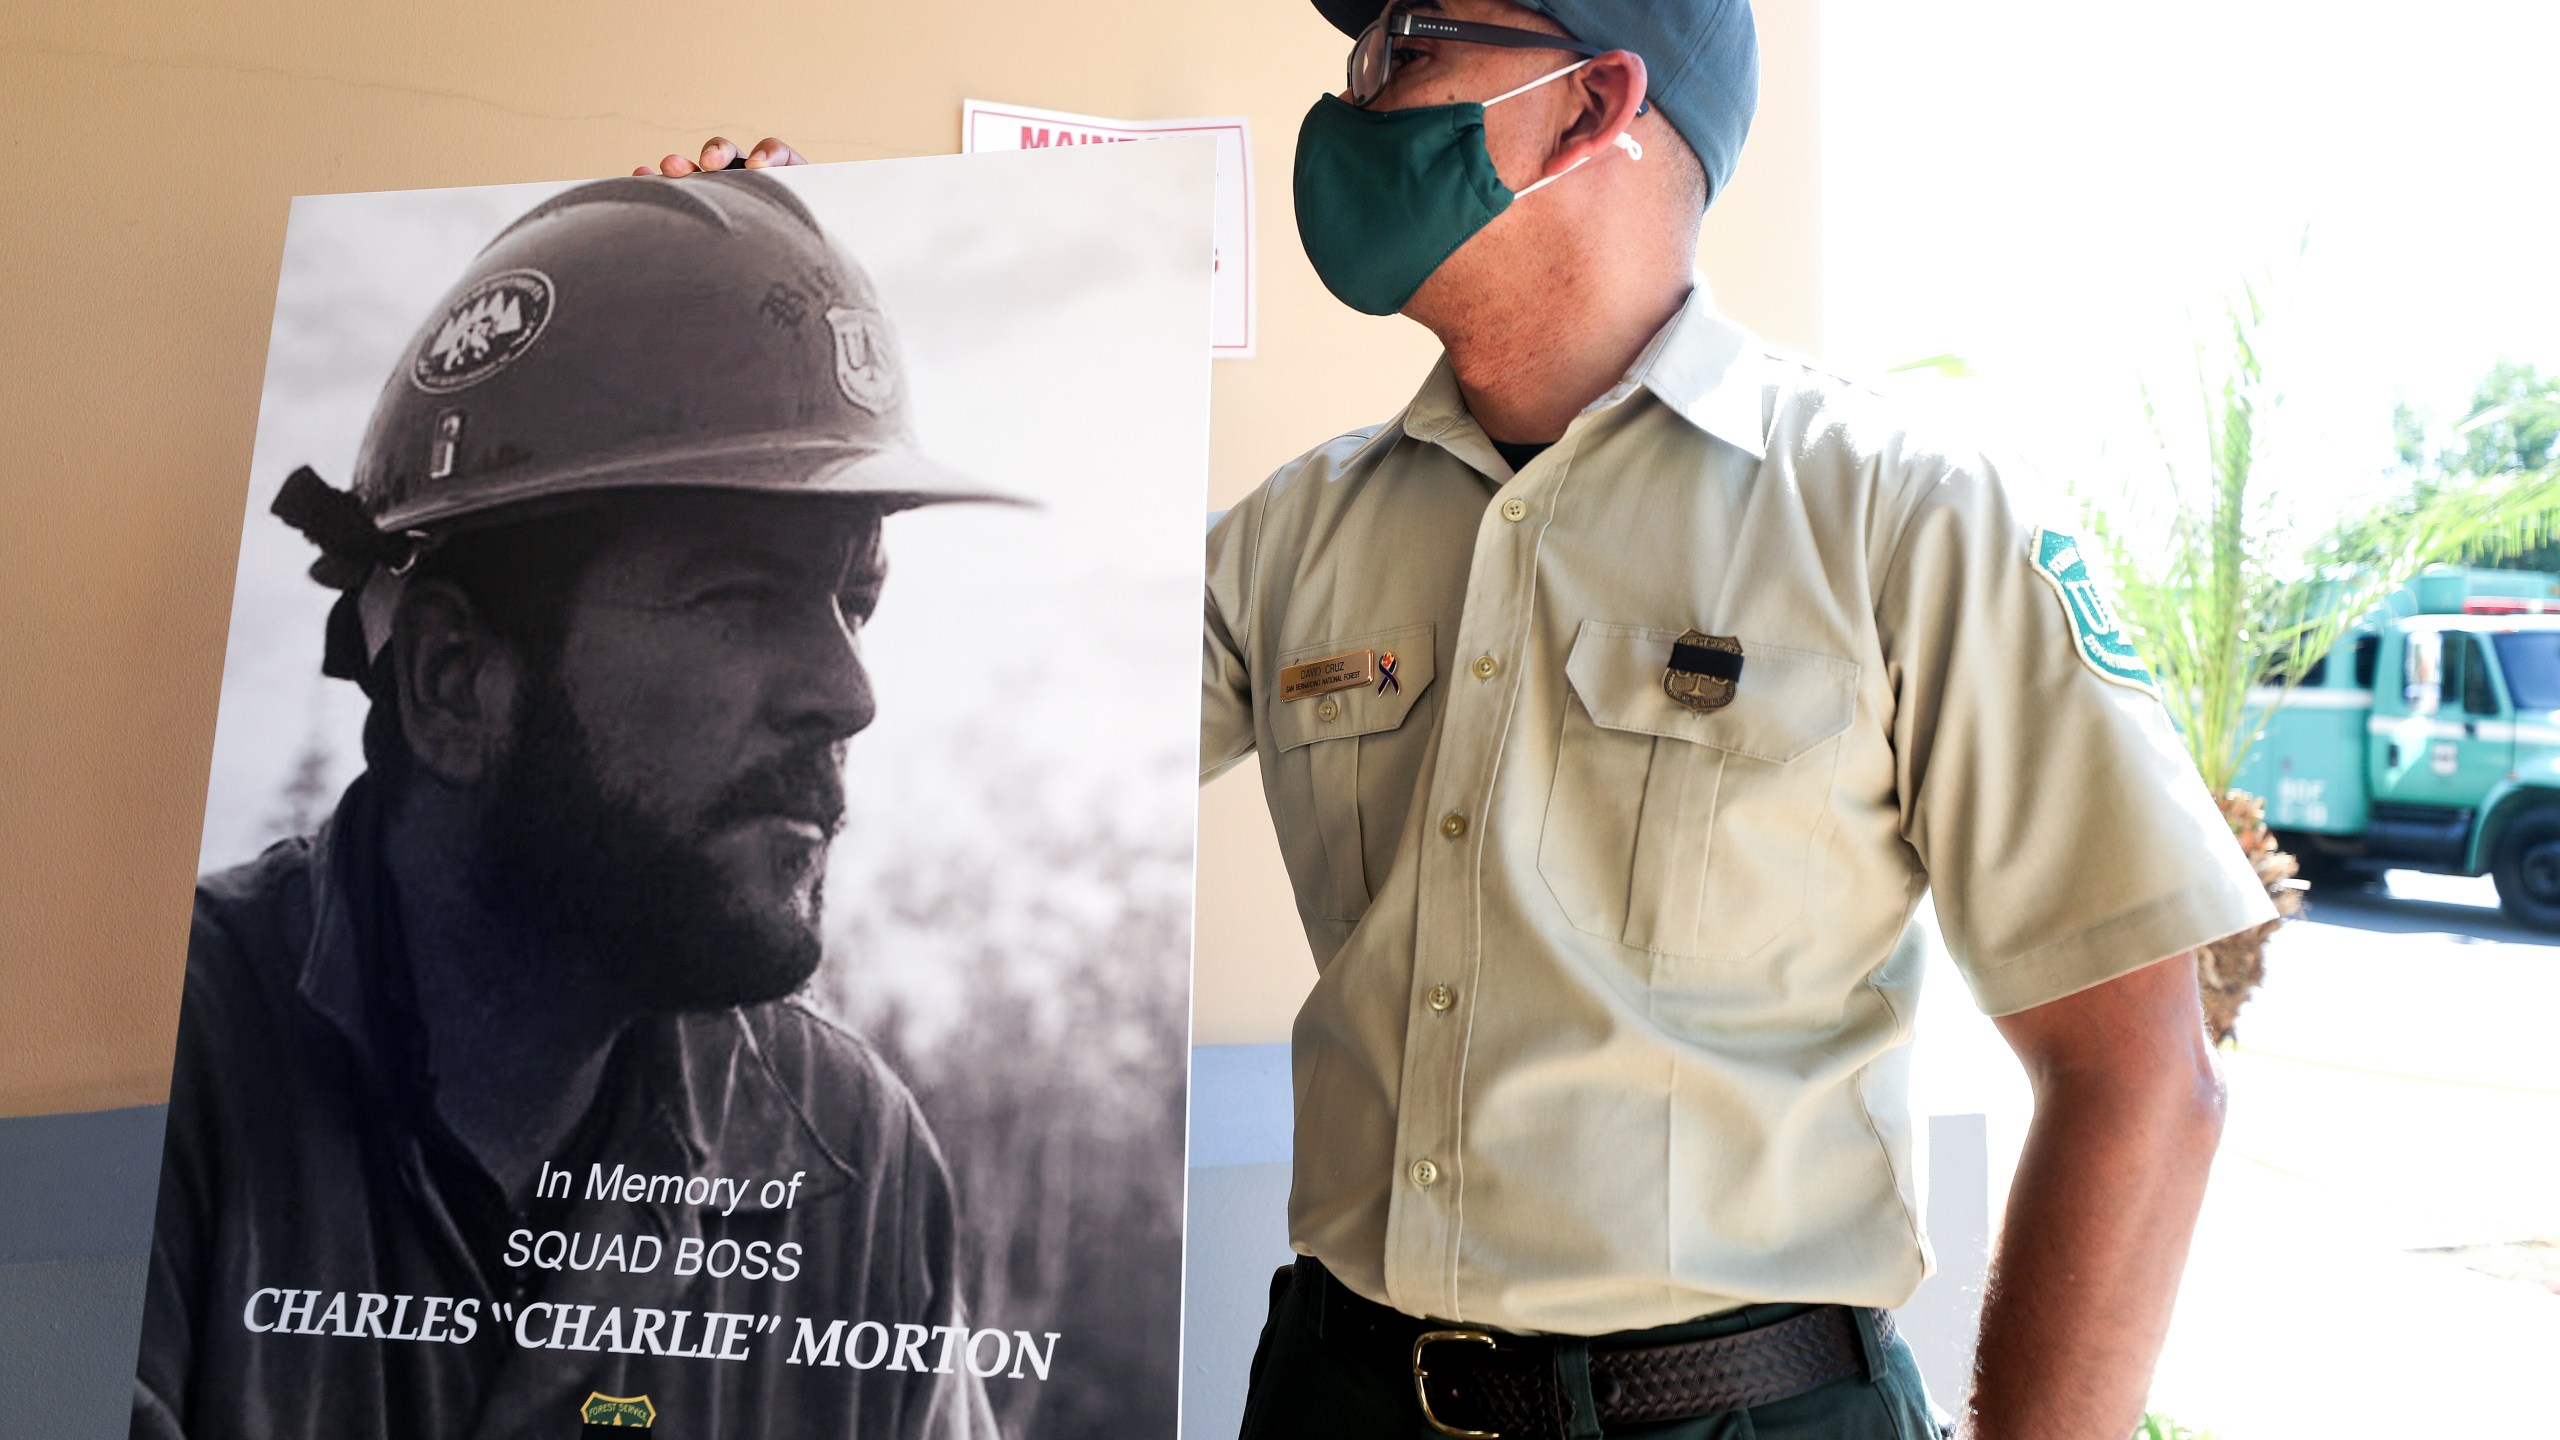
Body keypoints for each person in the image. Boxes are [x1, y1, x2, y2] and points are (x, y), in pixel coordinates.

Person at [669, 0, 2270, 1428]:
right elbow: (947, 725)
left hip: (1735, 1411)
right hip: (1338, 1396)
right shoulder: (1295, 537)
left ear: (1590, 105)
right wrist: (754, 361)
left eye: (1410, 39)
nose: (1356, 97)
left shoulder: (1899, 514)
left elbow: (2140, 1074)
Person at [135, 170, 1003, 1440]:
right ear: (451, 682)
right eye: (741, 600)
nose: (846, 693)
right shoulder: (171, 1077)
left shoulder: (851, 1166)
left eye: (853, 603)